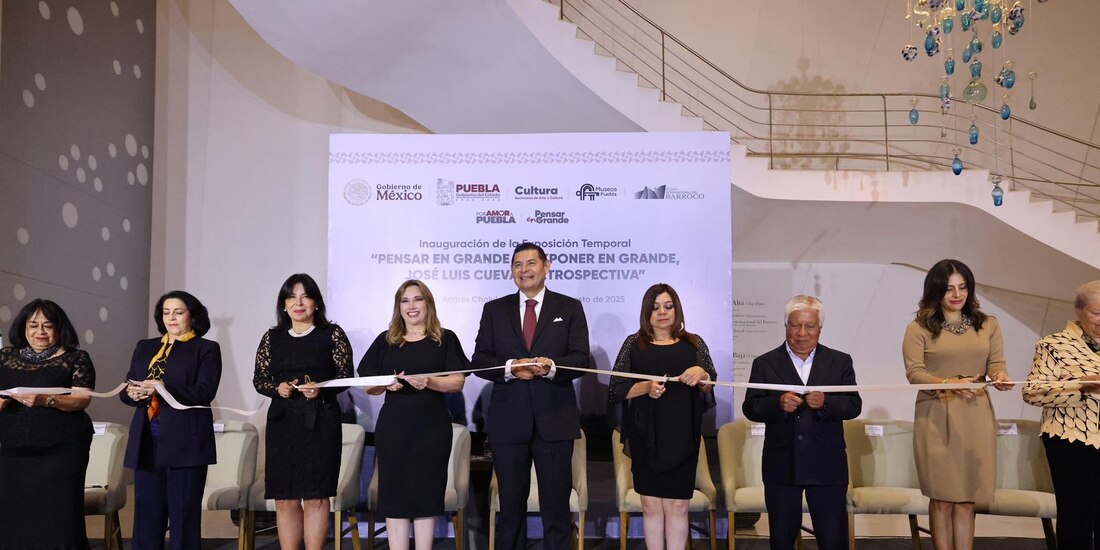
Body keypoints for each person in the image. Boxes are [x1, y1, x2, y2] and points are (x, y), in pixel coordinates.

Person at [472, 242, 591, 550]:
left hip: (555, 422)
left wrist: (551, 368)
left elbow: (581, 359)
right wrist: (511, 367)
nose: (523, 270)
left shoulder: (569, 307)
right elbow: (480, 362)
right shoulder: (494, 310)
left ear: (546, 266)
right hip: (508, 423)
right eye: (517, 265)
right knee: (510, 510)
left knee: (556, 510)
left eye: (530, 263)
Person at [902, 259, 1012, 550]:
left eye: (963, 287)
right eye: (949, 288)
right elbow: (915, 373)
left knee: (966, 497)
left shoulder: (989, 324)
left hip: (975, 413)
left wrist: (1000, 377)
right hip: (935, 414)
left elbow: (996, 365)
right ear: (935, 291)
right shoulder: (918, 327)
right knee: (941, 497)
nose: (956, 294)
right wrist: (948, 384)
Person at [742, 295, 861, 550]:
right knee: (782, 540)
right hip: (782, 464)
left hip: (827, 464)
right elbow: (751, 406)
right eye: (795, 325)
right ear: (786, 325)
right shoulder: (764, 363)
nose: (802, 333)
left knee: (832, 539)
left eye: (810, 326)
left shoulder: (840, 361)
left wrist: (826, 403)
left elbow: (853, 405)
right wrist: (778, 404)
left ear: (820, 328)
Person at [358, 280, 468, 550]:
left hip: (431, 429)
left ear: (428, 303)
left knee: (426, 496)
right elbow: (369, 385)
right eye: (405, 301)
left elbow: (457, 382)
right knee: (395, 497)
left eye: (417, 299)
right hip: (394, 429)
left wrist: (430, 382)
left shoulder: (444, 338)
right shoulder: (386, 341)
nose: (411, 306)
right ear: (398, 307)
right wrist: (386, 383)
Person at [608, 284, 717, 550]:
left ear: (677, 309)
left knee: (679, 506)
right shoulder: (634, 344)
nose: (662, 313)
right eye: (655, 308)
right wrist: (646, 387)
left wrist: (701, 373)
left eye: (668, 307)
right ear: (646, 312)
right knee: (651, 506)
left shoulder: (694, 343)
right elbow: (616, 390)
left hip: (682, 436)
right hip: (646, 436)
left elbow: (710, 384)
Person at [253, 273, 353, 550]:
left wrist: (321, 389)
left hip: (320, 422)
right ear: (283, 304)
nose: (298, 303)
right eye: (291, 296)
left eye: (305, 296)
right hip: (283, 422)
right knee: (284, 498)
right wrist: (278, 388)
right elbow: (260, 379)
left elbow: (345, 376)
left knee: (316, 497)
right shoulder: (272, 337)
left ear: (316, 303)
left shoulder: (331, 334)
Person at [122, 290, 222, 550]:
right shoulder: (145, 346)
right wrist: (131, 393)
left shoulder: (206, 348)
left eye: (178, 312)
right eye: (166, 313)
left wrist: (161, 387)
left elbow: (204, 392)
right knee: (146, 515)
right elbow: (129, 386)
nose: (171, 318)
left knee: (183, 517)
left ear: (193, 316)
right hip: (148, 438)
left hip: (186, 440)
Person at [0, 299, 96, 549]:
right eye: (33, 325)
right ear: (23, 327)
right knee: (14, 517)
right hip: (12, 450)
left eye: (47, 326)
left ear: (59, 328)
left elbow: (82, 399)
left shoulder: (76, 358)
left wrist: (47, 399)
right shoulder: (5, 357)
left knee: (59, 519)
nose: (40, 332)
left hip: (62, 451)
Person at [1023, 280, 1100, 548]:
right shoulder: (1054, 345)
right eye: (1097, 313)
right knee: (1077, 514)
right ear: (1079, 312)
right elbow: (1032, 392)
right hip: (1070, 439)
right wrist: (1079, 386)